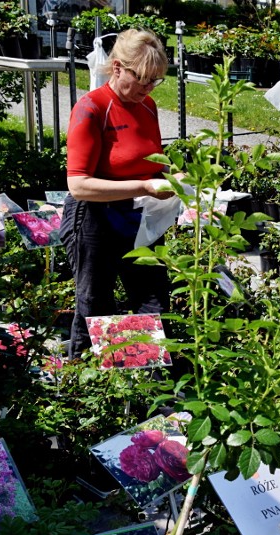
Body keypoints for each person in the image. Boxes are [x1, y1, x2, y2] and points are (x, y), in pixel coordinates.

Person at [59, 29, 173, 359]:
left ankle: (150, 389)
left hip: (139, 217)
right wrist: (145, 186)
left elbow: (152, 160)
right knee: (95, 304)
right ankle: (84, 384)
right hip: (93, 218)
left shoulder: (147, 106)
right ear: (119, 67)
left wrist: (174, 177)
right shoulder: (91, 108)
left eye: (156, 81)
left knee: (151, 299)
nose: (149, 88)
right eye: (143, 79)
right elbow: (78, 185)